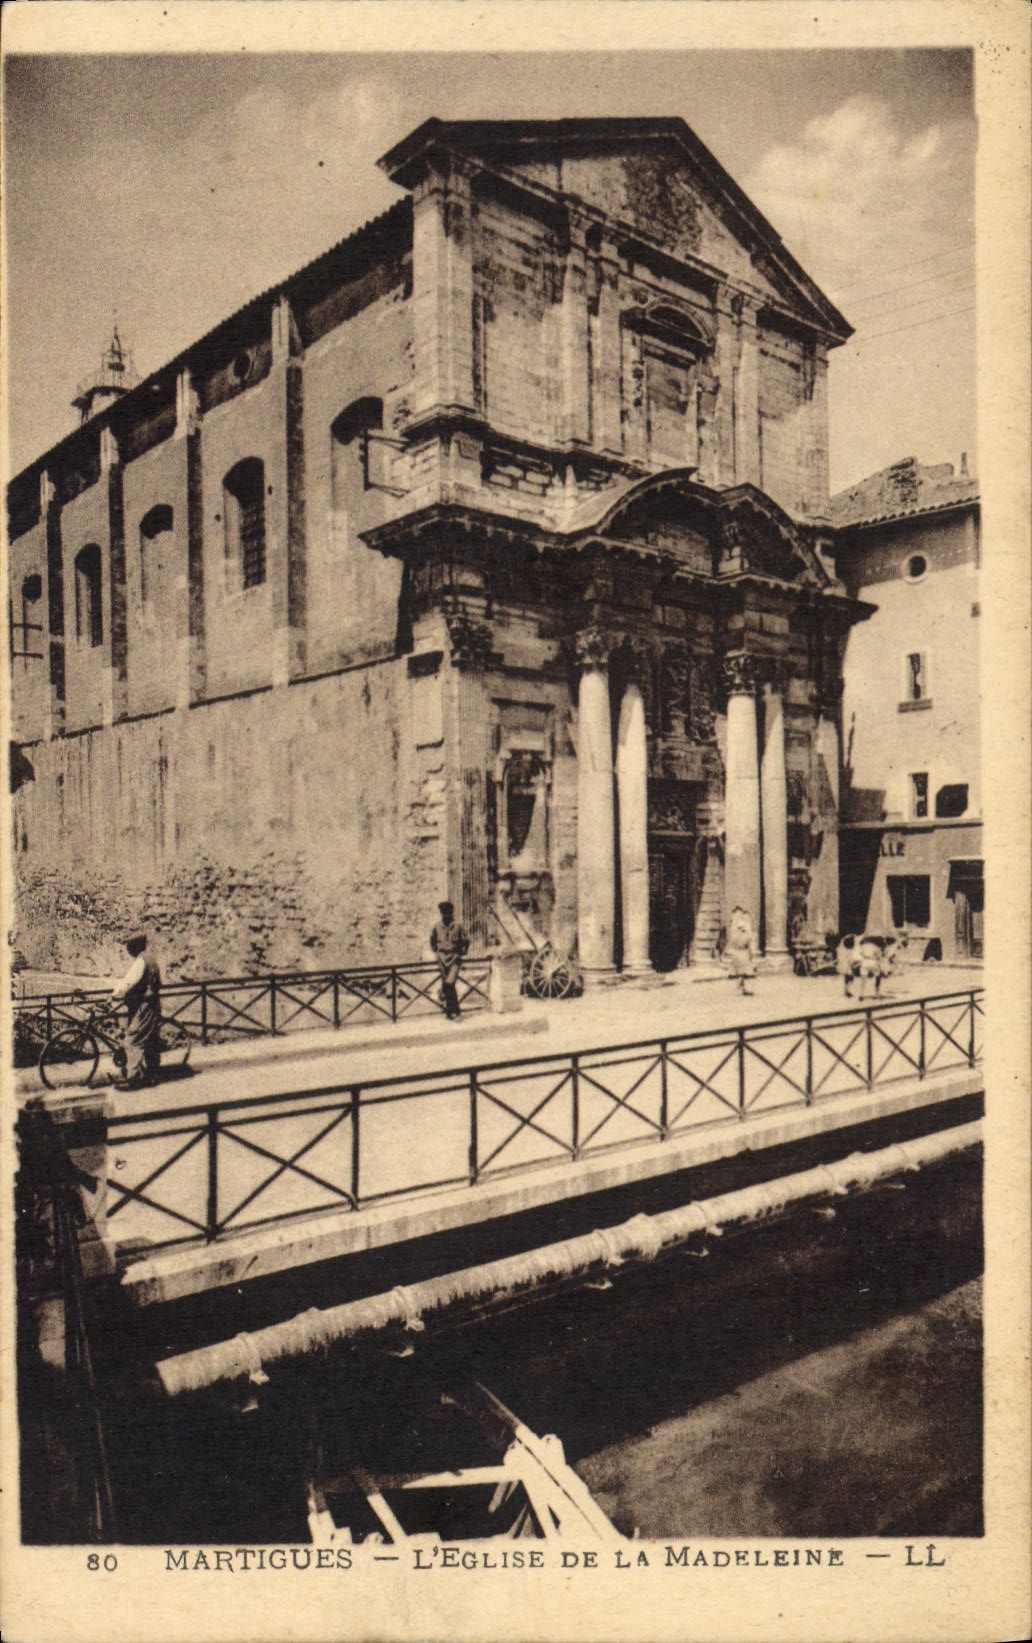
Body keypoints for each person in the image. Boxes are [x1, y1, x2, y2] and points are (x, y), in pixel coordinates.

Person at [111, 929, 162, 1088]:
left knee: (133, 1039)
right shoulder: (150, 959)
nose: (128, 950)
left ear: (136, 946)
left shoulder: (141, 962)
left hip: (144, 1006)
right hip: (152, 1003)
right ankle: (152, 1074)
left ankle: (134, 1078)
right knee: (150, 1040)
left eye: (129, 946)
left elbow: (129, 982)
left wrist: (115, 994)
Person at [430, 901, 469, 1021]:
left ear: (452, 913)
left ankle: (455, 1011)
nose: (446, 916)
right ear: (441, 913)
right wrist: (437, 952)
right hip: (442, 959)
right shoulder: (437, 926)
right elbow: (432, 941)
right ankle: (450, 1012)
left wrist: (461, 952)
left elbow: (466, 941)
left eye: (448, 913)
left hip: (454, 959)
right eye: (444, 913)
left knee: (449, 983)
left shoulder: (458, 926)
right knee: (450, 986)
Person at [722, 905, 758, 996]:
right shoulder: (747, 935)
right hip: (743, 954)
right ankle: (740, 988)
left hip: (736, 954)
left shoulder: (735, 935)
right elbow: (750, 947)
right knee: (743, 973)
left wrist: (724, 954)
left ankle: (741, 988)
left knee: (740, 973)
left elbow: (730, 944)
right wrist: (752, 957)